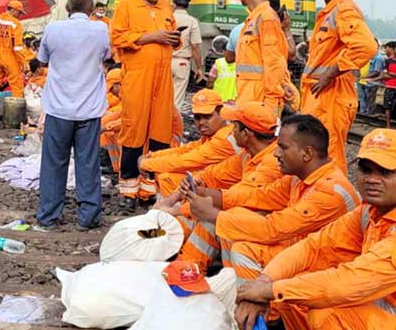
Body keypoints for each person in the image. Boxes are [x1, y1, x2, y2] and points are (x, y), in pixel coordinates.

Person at [235, 127, 396, 330]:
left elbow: (350, 282)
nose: (372, 179)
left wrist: (268, 290)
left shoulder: (332, 190)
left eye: (385, 172)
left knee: (324, 312)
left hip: (380, 304)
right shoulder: (370, 211)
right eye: (366, 169)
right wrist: (264, 284)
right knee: (291, 286)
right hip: (377, 302)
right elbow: (313, 246)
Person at [182, 114, 358, 289]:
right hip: (296, 251)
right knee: (232, 217)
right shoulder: (299, 178)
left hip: (318, 268)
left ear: (307, 153)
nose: (276, 153)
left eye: (283, 147)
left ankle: (261, 310)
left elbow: (272, 229)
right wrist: (205, 193)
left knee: (242, 247)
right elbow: (258, 197)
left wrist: (212, 214)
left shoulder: (330, 192)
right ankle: (186, 273)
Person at [159, 101, 281, 271]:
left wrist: (176, 209)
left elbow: (233, 199)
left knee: (216, 218)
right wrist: (184, 193)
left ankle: (194, 272)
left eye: (235, 127)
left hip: (267, 234)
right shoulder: (250, 154)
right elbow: (213, 173)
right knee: (208, 215)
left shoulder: (271, 164)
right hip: (251, 220)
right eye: (197, 117)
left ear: (247, 134)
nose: (231, 131)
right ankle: (183, 269)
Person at [35, 0, 110, 230]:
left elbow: (43, 59)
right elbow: (107, 56)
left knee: (54, 163)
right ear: (91, 9)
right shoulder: (101, 29)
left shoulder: (53, 29)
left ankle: (48, 216)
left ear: (68, 7)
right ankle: (88, 218)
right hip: (89, 109)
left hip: (58, 108)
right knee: (87, 163)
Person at [110, 0, 181, 205]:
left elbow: (171, 36)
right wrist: (152, 37)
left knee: (161, 131)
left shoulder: (165, 7)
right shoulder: (127, 6)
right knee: (134, 131)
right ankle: (128, 189)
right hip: (138, 77)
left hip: (163, 78)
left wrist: (174, 39)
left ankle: (150, 187)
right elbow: (117, 37)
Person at [299, 0, 377, 172]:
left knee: (327, 158)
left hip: (332, 96)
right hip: (322, 96)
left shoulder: (344, 9)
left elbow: (366, 46)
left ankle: (333, 203)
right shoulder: (330, 11)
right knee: (315, 156)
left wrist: (330, 74)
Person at [139, 89, 238, 197]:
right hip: (218, 182)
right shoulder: (217, 133)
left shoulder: (224, 139)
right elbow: (187, 149)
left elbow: (185, 161)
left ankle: (177, 212)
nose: (201, 122)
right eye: (197, 117)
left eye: (207, 116)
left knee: (167, 178)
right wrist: (151, 156)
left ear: (222, 114)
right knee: (167, 174)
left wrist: (146, 163)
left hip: (229, 189)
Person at [233, 0, 288, 111]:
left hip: (260, 101)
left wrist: (271, 102)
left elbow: (275, 63)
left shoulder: (266, 18)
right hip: (250, 98)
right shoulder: (256, 18)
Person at [0, 0, 26, 98]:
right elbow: (17, 48)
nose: (19, 16)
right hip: (9, 59)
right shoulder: (16, 24)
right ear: (14, 11)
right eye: (19, 13)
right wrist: (23, 63)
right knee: (17, 88)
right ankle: (16, 113)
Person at [171, 0, 204, 111]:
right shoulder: (192, 21)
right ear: (187, 6)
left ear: (174, 4)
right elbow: (195, 46)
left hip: (164, 62)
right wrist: (199, 68)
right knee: (176, 99)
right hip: (182, 63)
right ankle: (172, 126)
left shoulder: (168, 18)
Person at [101, 68, 124, 174]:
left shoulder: (133, 97)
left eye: (112, 88)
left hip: (162, 145)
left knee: (113, 131)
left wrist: (106, 127)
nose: (111, 92)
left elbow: (130, 121)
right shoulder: (126, 98)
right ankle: (119, 169)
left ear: (119, 84)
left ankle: (122, 170)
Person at [384, 41, 396, 129]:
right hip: (390, 86)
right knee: (387, 107)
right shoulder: (388, 61)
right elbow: (385, 74)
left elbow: (388, 73)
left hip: (392, 85)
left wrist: (391, 74)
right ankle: (388, 126)